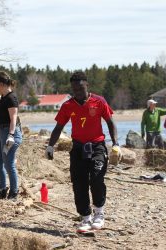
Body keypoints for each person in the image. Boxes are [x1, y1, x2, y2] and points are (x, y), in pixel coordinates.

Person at [45, 72, 120, 233]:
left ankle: (99, 213)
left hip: (97, 146)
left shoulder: (99, 101)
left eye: (80, 88)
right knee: (79, 184)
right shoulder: (68, 106)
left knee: (96, 178)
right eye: (74, 89)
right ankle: (85, 218)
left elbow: (110, 122)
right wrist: (50, 146)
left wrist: (116, 144)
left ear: (87, 86)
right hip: (78, 148)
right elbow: (59, 127)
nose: (77, 91)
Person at [0, 72, 22, 200]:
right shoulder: (3, 97)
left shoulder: (11, 98)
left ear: (2, 84)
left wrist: (11, 135)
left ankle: (14, 192)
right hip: (1, 132)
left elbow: (13, 118)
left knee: (9, 163)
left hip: (9, 133)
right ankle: (3, 189)